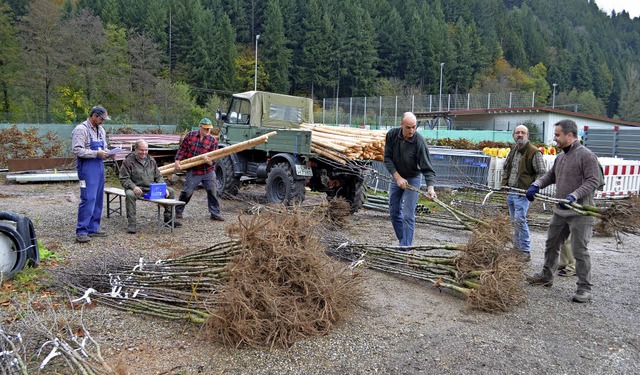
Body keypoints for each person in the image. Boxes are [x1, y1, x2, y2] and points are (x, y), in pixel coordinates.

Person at [525, 119, 600, 303]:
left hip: (580, 212)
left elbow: (592, 181)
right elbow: (551, 175)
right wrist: (536, 184)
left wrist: (574, 196)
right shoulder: (561, 156)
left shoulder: (586, 156)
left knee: (579, 250)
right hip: (561, 210)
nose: (555, 138)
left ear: (569, 135)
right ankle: (546, 277)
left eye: (558, 135)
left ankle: (584, 289)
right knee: (551, 244)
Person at [383, 112, 437, 247]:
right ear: (401, 125)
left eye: (414, 127)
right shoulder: (391, 135)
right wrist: (398, 177)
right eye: (408, 127)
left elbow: (428, 168)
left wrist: (430, 188)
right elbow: (387, 158)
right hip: (397, 176)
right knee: (394, 211)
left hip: (413, 177)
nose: (412, 131)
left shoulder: (419, 142)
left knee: (408, 214)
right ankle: (403, 240)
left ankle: (405, 248)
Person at [502, 125, 546, 261]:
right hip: (512, 191)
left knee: (520, 221)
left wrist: (534, 187)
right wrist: (505, 184)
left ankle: (525, 251)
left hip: (523, 192)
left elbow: (542, 172)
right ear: (513, 135)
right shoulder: (514, 150)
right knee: (514, 221)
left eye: (523, 133)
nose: (520, 135)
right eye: (517, 133)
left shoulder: (534, 152)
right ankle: (517, 248)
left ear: (528, 136)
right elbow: (506, 167)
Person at [119, 140, 182, 234]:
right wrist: (133, 187)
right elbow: (124, 178)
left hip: (151, 189)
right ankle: (132, 223)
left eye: (146, 150)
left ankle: (168, 218)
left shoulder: (151, 160)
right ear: (135, 149)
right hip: (137, 189)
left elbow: (158, 176)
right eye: (141, 150)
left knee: (171, 191)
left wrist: (163, 187)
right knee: (129, 194)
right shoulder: (128, 161)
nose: (144, 152)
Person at [71, 105, 113, 243]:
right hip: (87, 168)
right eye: (101, 118)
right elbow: (77, 150)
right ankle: (81, 231)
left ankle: (93, 228)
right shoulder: (81, 129)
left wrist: (107, 153)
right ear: (94, 116)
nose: (103, 121)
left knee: (98, 198)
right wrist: (96, 153)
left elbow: (104, 147)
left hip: (99, 167)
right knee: (88, 198)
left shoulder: (101, 130)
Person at [174, 118, 223, 221]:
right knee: (187, 192)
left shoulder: (212, 141)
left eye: (209, 129)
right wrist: (177, 161)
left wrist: (208, 161)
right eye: (205, 129)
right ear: (200, 127)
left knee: (213, 191)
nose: (208, 131)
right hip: (193, 170)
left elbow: (213, 161)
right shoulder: (190, 136)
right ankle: (178, 212)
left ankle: (215, 214)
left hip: (208, 170)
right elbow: (182, 149)